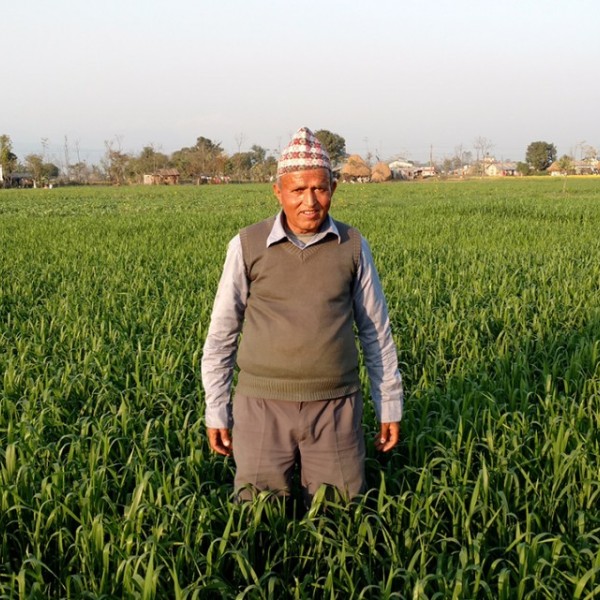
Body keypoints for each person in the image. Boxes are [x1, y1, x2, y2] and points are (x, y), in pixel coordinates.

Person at [201, 127, 403, 505]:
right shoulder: (247, 245)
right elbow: (222, 334)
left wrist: (389, 404)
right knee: (259, 514)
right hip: (260, 407)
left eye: (320, 188)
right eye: (297, 190)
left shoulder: (352, 245)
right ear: (278, 191)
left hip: (336, 408)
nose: (310, 201)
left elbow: (376, 332)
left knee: (339, 514)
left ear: (333, 188)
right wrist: (216, 408)